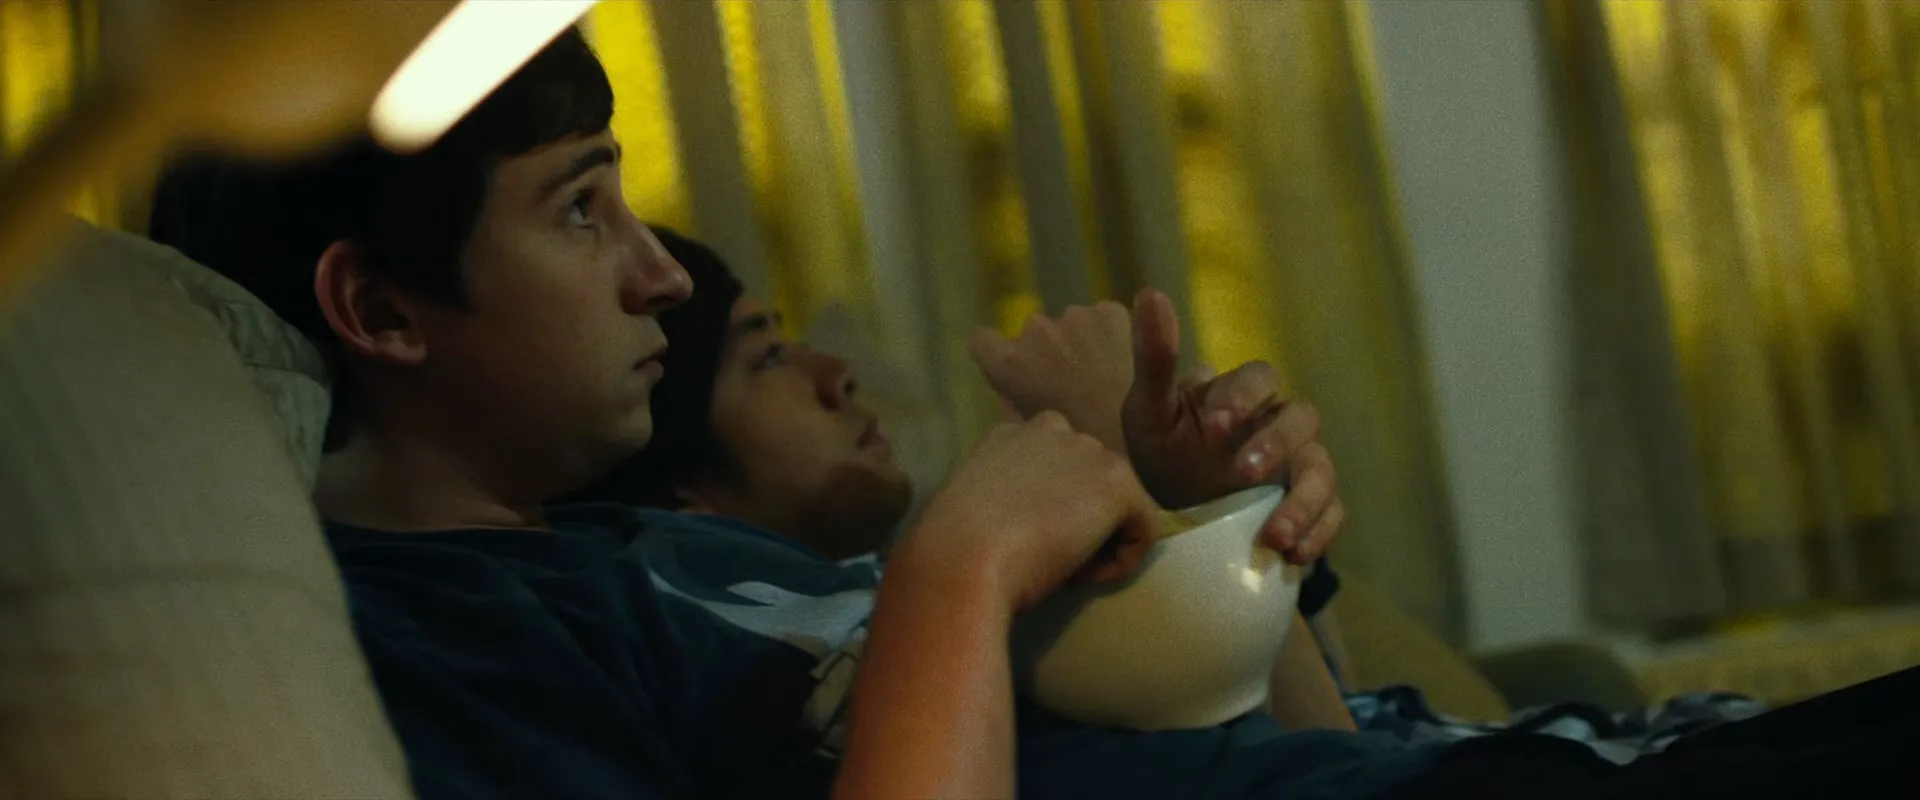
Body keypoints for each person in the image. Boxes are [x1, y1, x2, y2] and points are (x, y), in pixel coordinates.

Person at [146, 26, 1920, 800]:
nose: (660, 276)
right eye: (580, 210)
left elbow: (1307, 751)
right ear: (380, 309)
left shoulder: (660, 556)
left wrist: (1228, 544)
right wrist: (957, 571)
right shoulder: (412, 645)